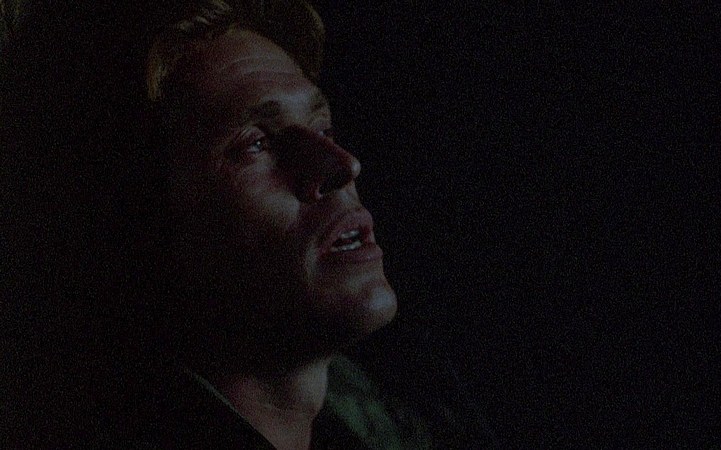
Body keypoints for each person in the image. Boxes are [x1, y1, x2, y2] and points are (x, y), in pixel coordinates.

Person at [3, 0, 453, 448]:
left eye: (323, 129)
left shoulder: (407, 424)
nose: (343, 166)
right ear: (139, 226)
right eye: (256, 144)